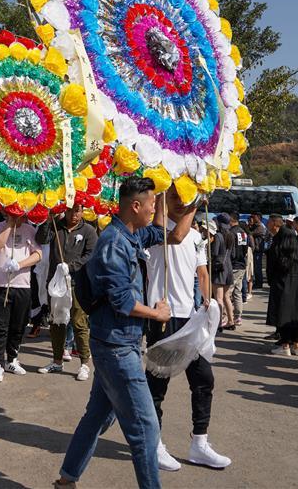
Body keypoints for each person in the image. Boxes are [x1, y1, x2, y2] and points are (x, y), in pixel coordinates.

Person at [55, 177, 170, 489]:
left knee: (97, 417)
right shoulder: (114, 243)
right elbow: (121, 300)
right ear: (135, 206)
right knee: (146, 429)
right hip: (116, 346)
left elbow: (162, 231)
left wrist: (179, 194)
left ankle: (66, 480)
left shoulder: (131, 233)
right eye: (150, 205)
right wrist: (156, 313)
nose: (153, 210)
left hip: (121, 342)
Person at [143, 188, 229, 472]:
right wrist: (198, 199)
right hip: (164, 318)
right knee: (157, 386)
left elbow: (202, 273)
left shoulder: (197, 237)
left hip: (191, 318)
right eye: (176, 197)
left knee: (204, 380)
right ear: (163, 199)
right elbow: (176, 235)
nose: (182, 202)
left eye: (186, 197)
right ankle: (153, 444)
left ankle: (199, 443)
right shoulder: (155, 230)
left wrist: (207, 302)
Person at [36, 203, 98, 381]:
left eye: (77, 211)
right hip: (56, 284)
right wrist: (48, 220)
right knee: (57, 322)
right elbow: (41, 239)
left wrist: (71, 267)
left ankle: (84, 363)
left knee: (79, 322)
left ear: (82, 211)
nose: (73, 215)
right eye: (70, 210)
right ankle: (57, 361)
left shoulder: (88, 230)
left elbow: (90, 255)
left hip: (78, 283)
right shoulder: (58, 226)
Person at [0, 211, 42, 383]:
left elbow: (38, 254)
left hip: (22, 285)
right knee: (0, 327)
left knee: (18, 325)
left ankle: (12, 359)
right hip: (0, 285)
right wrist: (10, 224)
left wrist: (20, 264)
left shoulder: (30, 230)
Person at [267, 216, 298, 356]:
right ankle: (296, 345)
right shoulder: (297, 252)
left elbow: (271, 269)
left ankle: (285, 346)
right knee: (295, 315)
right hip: (296, 286)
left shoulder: (278, 249)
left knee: (282, 314)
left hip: (281, 284)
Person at [210, 213, 234, 329]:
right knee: (226, 297)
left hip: (219, 269)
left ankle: (219, 323)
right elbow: (232, 254)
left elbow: (214, 253)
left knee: (218, 297)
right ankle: (231, 320)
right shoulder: (231, 235)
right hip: (228, 267)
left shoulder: (218, 236)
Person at [226, 212, 249, 328]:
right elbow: (245, 249)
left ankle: (227, 316)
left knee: (228, 292)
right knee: (238, 292)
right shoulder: (243, 233)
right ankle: (238, 316)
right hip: (242, 264)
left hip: (234, 265)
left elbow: (231, 251)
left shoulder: (231, 233)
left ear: (231, 220)